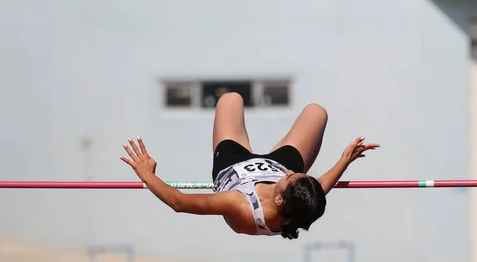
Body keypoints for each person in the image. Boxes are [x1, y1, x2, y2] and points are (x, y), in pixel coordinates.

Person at [120, 92, 379, 239]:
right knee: (317, 111)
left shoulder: (239, 205)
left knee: (230, 99)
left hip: (233, 167)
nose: (292, 173)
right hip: (272, 166)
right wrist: (344, 161)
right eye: (298, 175)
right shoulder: (297, 203)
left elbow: (179, 203)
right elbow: (319, 189)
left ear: (280, 200)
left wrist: (148, 175)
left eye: (292, 177)